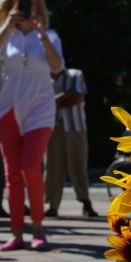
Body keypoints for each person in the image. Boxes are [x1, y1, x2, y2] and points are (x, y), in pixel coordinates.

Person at [0, 0, 64, 251]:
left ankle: (38, 228)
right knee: (12, 174)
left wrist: (40, 33)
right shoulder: (7, 35)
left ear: (38, 5)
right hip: (8, 109)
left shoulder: (50, 36)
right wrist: (7, 25)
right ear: (13, 4)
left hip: (40, 109)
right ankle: (17, 234)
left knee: (31, 166)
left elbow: (56, 67)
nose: (27, 4)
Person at [45, 68, 98, 218]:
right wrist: (66, 96)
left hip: (75, 126)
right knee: (52, 165)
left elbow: (78, 97)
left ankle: (85, 201)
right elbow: (42, 101)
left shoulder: (75, 74)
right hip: (53, 127)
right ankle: (52, 205)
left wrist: (56, 100)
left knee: (78, 164)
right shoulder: (43, 76)